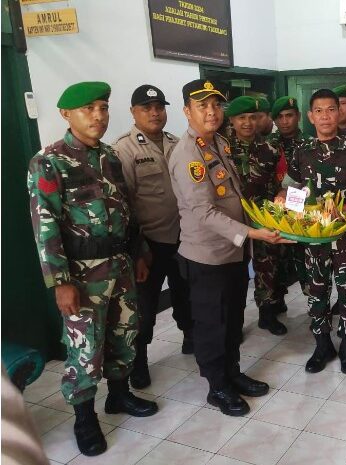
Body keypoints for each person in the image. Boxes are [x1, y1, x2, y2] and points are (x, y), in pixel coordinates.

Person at [27, 82, 158, 456]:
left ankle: (118, 396)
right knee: (84, 349)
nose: (98, 116)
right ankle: (84, 418)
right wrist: (60, 282)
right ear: (66, 114)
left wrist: (139, 254)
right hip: (81, 274)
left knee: (124, 334)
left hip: (120, 265)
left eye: (102, 107)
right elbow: (45, 226)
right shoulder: (49, 162)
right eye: (88, 109)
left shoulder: (110, 157)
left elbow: (126, 210)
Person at [169, 79, 288, 417]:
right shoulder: (188, 154)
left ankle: (233, 372)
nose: (211, 111)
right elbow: (203, 212)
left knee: (233, 318)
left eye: (215, 105)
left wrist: (267, 222)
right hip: (207, 256)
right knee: (211, 323)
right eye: (202, 105)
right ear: (187, 111)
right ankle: (217, 385)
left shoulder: (218, 142)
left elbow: (234, 196)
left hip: (233, 254)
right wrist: (254, 233)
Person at [281, 88, 346, 374]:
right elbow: (290, 189)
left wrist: (341, 212)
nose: (325, 116)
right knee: (317, 292)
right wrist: (292, 208)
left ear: (340, 112)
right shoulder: (301, 150)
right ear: (310, 116)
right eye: (319, 111)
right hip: (314, 238)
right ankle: (322, 344)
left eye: (331, 109)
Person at [113, 84, 192, 390]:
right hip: (148, 243)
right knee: (144, 309)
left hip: (183, 238)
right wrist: (137, 249)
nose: (155, 113)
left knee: (186, 294)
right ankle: (140, 361)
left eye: (159, 106)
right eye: (147, 108)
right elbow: (124, 203)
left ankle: (190, 337)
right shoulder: (124, 149)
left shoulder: (176, 143)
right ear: (134, 112)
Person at [225, 95, 287, 335]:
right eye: (242, 118)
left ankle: (267, 314)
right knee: (235, 271)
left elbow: (282, 181)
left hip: (263, 217)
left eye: (253, 117)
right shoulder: (221, 147)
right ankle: (235, 322)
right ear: (232, 120)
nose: (248, 122)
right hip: (232, 219)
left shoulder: (270, 147)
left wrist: (281, 194)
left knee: (267, 265)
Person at [267, 96, 312, 298]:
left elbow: (313, 183)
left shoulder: (312, 145)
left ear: (298, 116)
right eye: (280, 117)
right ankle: (272, 308)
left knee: (307, 267)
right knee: (272, 266)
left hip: (303, 219)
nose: (285, 121)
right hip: (273, 217)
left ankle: (316, 309)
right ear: (274, 120)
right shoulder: (265, 146)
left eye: (289, 116)